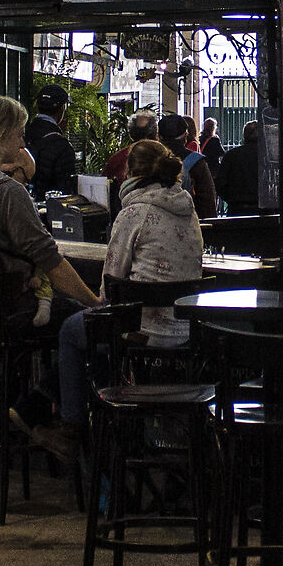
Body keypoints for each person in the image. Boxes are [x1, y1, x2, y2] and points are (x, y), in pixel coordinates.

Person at [0, 96, 103, 493]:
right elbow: (51, 261)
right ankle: (52, 422)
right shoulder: (6, 191)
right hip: (18, 309)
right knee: (88, 330)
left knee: (11, 358)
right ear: (0, 136)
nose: (24, 139)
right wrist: (92, 301)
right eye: (19, 132)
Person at [55, 139, 206, 431]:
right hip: (186, 331)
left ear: (130, 174)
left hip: (142, 332)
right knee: (94, 333)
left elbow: (109, 288)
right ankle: (108, 418)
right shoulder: (189, 211)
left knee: (71, 331)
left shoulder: (132, 214)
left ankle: (74, 429)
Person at [155, 114, 218, 218]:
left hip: (154, 223)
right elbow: (207, 199)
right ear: (185, 136)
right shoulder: (196, 162)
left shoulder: (149, 160)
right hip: (187, 222)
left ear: (158, 136)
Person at [24, 85, 81, 196]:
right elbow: (66, 188)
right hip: (49, 208)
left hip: (26, 201)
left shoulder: (22, 135)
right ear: (61, 109)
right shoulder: (62, 146)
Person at [218, 120, 261, 214]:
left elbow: (220, 183)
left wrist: (231, 198)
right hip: (264, 211)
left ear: (244, 136)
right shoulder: (268, 156)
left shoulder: (231, 155)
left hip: (237, 208)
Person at [102, 111, 155, 181]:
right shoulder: (162, 155)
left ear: (131, 133)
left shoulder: (119, 157)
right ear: (156, 132)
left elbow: (104, 181)